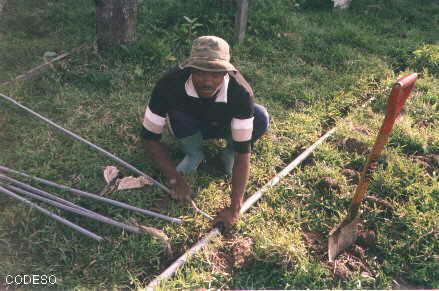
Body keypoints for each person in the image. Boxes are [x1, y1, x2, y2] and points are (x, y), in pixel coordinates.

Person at [142, 35, 269, 228]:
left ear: (226, 72)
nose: (208, 81)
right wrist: (175, 178)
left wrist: (235, 208)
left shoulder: (240, 92)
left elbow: (244, 152)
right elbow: (150, 137)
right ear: (190, 68)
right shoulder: (169, 84)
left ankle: (227, 153)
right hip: (191, 124)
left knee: (260, 116)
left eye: (216, 74)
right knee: (177, 114)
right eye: (201, 72)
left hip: (225, 124)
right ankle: (194, 153)